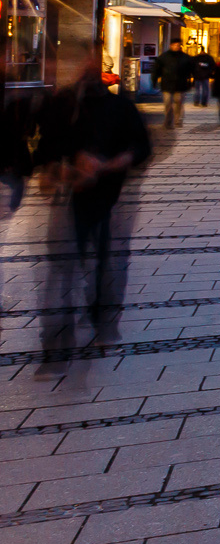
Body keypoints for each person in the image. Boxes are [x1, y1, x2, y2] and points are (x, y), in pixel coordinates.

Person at [36, 59, 154, 360]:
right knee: (66, 267)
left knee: (103, 262)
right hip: (70, 199)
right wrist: (59, 171)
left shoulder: (119, 107)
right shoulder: (63, 106)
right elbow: (45, 151)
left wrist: (105, 166)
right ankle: (61, 340)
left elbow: (140, 149)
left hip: (108, 199)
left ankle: (101, 321)